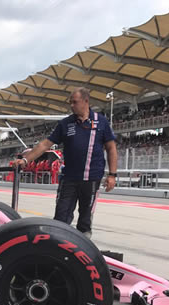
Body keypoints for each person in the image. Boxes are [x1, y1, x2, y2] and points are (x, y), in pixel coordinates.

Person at [12, 87, 117, 239]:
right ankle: (58, 247)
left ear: (86, 102)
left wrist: (112, 175)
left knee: (85, 220)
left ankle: (82, 248)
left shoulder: (101, 122)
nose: (72, 105)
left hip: (92, 179)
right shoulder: (66, 124)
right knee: (61, 218)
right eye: (70, 103)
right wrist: (26, 159)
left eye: (75, 102)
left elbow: (111, 148)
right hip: (69, 179)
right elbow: (45, 144)